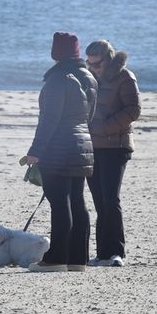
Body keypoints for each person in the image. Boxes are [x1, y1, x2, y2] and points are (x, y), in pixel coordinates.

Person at [25, 32, 97, 272]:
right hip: (83, 145)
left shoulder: (58, 79)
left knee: (59, 201)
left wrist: (36, 150)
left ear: (56, 53)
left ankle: (56, 258)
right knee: (77, 200)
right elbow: (90, 117)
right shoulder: (89, 77)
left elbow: (49, 119)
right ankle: (78, 259)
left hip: (59, 147)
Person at [84, 40, 141, 267]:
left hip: (116, 147)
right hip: (92, 146)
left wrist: (105, 127)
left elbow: (134, 110)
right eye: (89, 63)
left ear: (107, 60)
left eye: (96, 64)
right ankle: (102, 254)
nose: (93, 68)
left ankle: (117, 253)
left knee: (110, 199)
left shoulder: (125, 77)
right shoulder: (87, 77)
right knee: (99, 202)